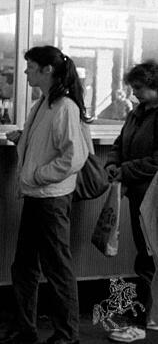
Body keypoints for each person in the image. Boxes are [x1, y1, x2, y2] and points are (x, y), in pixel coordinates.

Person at [0, 46, 87, 344]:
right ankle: (26, 329)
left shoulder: (64, 107)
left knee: (57, 267)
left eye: (31, 67)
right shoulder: (44, 104)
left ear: (47, 70)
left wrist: (37, 174)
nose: (25, 72)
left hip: (50, 198)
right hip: (37, 196)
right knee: (24, 266)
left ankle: (67, 334)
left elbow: (74, 157)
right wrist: (23, 140)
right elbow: (50, 147)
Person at [103, 60, 158, 343]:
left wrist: (126, 169)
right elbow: (119, 143)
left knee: (149, 258)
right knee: (145, 255)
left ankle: (143, 321)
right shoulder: (137, 113)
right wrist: (113, 164)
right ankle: (147, 318)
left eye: (139, 88)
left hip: (153, 196)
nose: (134, 94)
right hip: (139, 194)